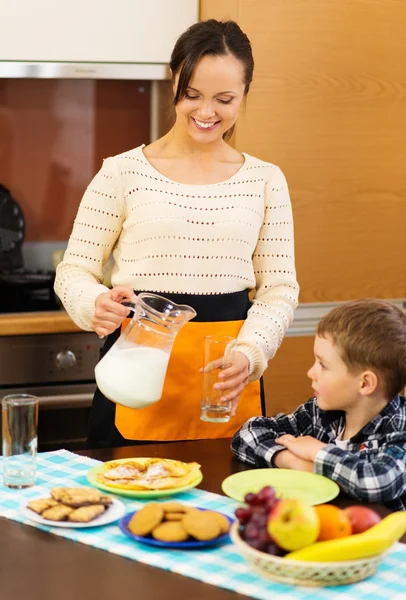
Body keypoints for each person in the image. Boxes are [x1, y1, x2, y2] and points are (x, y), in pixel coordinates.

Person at [54, 19, 299, 448]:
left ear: (244, 94)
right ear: (175, 83)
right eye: (193, 95)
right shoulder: (122, 172)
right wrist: (93, 303)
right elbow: (73, 270)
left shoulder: (265, 180)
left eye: (224, 99)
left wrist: (250, 352)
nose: (206, 113)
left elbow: (278, 289)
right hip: (135, 375)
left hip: (224, 384)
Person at [231, 299, 406, 511]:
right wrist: (291, 461)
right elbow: (248, 434)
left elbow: (378, 481)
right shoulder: (321, 412)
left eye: (323, 365)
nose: (311, 373)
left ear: (365, 383)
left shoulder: (398, 428)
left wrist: (319, 452)